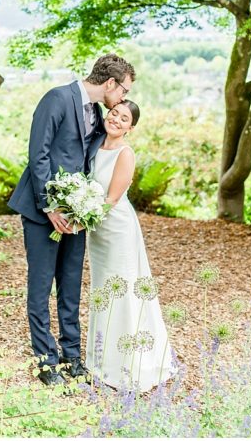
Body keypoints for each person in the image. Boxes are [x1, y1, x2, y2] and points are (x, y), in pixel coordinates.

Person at [8, 54, 136, 385]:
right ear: (111, 83)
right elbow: (39, 155)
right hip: (42, 213)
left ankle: (72, 356)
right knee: (40, 286)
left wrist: (85, 207)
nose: (122, 99)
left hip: (78, 215)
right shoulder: (57, 99)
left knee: (70, 285)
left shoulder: (96, 112)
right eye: (123, 91)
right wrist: (50, 207)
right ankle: (45, 361)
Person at [86, 100, 177, 391]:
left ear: (131, 128)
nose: (116, 119)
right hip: (97, 231)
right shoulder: (95, 146)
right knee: (102, 290)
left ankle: (127, 364)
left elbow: (111, 199)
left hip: (117, 229)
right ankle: (100, 358)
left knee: (122, 289)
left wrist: (79, 220)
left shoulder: (125, 154)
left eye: (123, 118)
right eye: (114, 113)